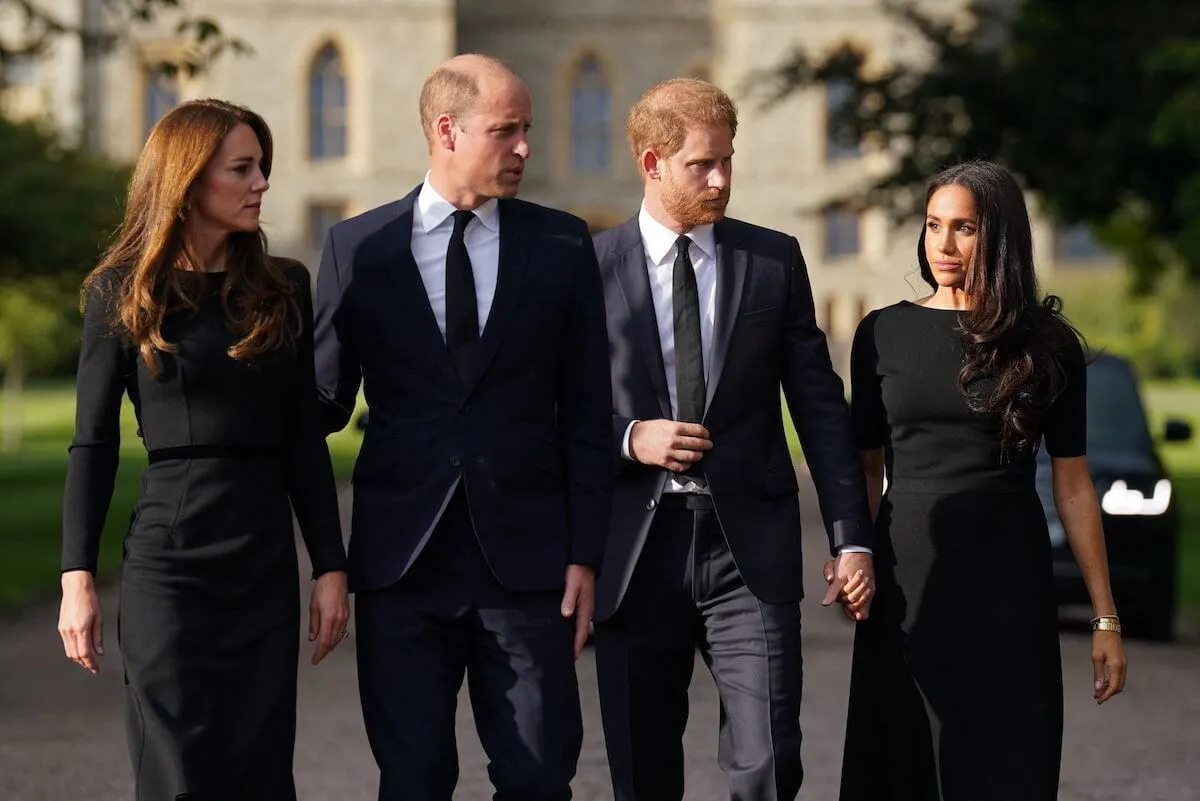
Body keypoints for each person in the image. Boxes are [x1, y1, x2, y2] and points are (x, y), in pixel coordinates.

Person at [312, 54, 612, 801]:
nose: (524, 149)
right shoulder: (359, 249)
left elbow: (586, 411)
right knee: (413, 779)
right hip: (400, 565)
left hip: (529, 570)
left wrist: (586, 554)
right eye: (506, 130)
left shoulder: (563, 244)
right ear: (446, 130)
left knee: (540, 776)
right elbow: (316, 408)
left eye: (527, 130)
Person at [590, 77, 875, 801]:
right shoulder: (586, 270)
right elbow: (547, 411)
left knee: (770, 763)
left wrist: (850, 534)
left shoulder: (772, 262)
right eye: (701, 165)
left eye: (728, 161)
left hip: (747, 553)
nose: (721, 180)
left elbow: (819, 406)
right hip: (634, 553)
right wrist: (629, 437)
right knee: (642, 772)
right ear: (652, 164)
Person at [57, 99, 351, 800]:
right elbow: (92, 444)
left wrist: (330, 566)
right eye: (242, 169)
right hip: (169, 565)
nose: (260, 184)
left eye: (262, 168)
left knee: (257, 768)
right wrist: (76, 577)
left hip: (262, 561)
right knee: (176, 770)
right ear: (188, 180)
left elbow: (303, 440)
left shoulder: (285, 288)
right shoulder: (120, 293)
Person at [838, 160, 1128, 801]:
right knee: (902, 754)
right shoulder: (882, 333)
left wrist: (1105, 618)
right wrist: (850, 553)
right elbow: (863, 468)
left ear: (999, 236)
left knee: (1003, 759)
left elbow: (1074, 485)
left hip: (1007, 580)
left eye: (963, 228)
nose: (942, 244)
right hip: (906, 575)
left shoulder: (1046, 343)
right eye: (934, 224)